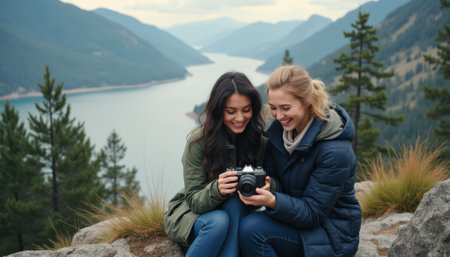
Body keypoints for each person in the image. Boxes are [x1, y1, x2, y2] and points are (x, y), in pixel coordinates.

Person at [238, 65, 362, 257]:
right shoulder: (280, 135)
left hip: (331, 234)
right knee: (244, 221)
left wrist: (273, 200)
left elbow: (313, 213)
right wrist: (270, 186)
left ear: (307, 102)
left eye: (286, 108)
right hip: (297, 220)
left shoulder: (335, 151)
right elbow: (276, 179)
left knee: (253, 230)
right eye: (273, 108)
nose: (279, 116)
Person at [164, 71, 268, 257]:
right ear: (219, 110)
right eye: (231, 111)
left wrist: (266, 187)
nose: (239, 118)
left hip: (235, 211)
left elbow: (267, 184)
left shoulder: (258, 142)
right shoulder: (198, 142)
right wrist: (217, 189)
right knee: (219, 221)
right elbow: (194, 200)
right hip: (193, 213)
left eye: (246, 110)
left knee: (234, 205)